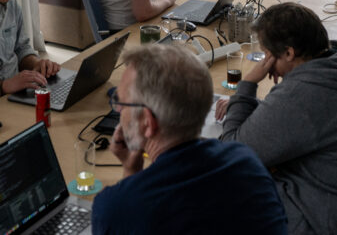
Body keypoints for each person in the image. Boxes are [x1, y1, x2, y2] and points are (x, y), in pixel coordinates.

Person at [92, 44, 288, 234]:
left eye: (121, 103)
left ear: (148, 122)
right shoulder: (247, 162)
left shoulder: (114, 207)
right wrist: (132, 170)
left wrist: (130, 173)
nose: (118, 111)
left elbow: (131, 210)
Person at [218, 2, 337, 235]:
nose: (266, 63)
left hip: (335, 213)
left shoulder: (304, 95)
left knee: (221, 190)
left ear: (289, 53)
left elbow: (232, 154)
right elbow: (308, 117)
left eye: (267, 54)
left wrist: (247, 86)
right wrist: (256, 107)